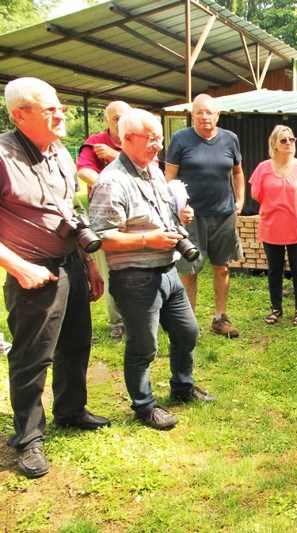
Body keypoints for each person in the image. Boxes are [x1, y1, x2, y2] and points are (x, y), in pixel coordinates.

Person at [0, 77, 110, 479]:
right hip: (33, 271)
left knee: (76, 343)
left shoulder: (60, 151)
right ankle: (28, 438)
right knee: (32, 357)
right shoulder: (3, 155)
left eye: (60, 106)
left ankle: (70, 410)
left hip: (72, 264)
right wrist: (17, 266)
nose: (61, 114)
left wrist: (89, 263)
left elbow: (69, 210)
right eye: (50, 109)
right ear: (20, 115)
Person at [89, 108, 215, 431]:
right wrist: (150, 239)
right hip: (134, 277)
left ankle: (183, 387)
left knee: (188, 331)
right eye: (152, 138)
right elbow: (101, 237)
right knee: (144, 346)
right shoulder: (111, 181)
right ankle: (144, 406)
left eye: (160, 137)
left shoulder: (153, 171)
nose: (159, 145)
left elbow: (161, 213)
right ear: (127, 139)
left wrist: (178, 217)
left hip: (167, 271)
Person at [165, 93, 245, 338]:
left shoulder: (230, 139)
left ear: (217, 115)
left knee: (221, 268)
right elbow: (169, 179)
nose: (204, 117)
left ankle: (220, 318)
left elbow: (238, 172)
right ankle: (189, 323)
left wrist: (239, 201)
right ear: (193, 115)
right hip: (191, 217)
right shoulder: (180, 139)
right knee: (189, 271)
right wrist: (177, 208)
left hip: (223, 214)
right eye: (199, 112)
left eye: (209, 112)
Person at [249, 125, 297, 326]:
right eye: (284, 140)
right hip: (271, 227)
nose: (289, 143)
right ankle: (276, 308)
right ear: (274, 144)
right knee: (274, 270)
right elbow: (255, 194)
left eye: (292, 139)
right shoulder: (262, 168)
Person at [77, 100, 132, 340]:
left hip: (135, 216)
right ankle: (117, 321)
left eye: (125, 118)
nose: (120, 123)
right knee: (110, 269)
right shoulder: (94, 142)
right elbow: (84, 171)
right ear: (106, 120)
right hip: (107, 216)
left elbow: (151, 168)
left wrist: (114, 156)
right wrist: (114, 187)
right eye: (116, 118)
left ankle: (138, 315)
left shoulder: (136, 139)